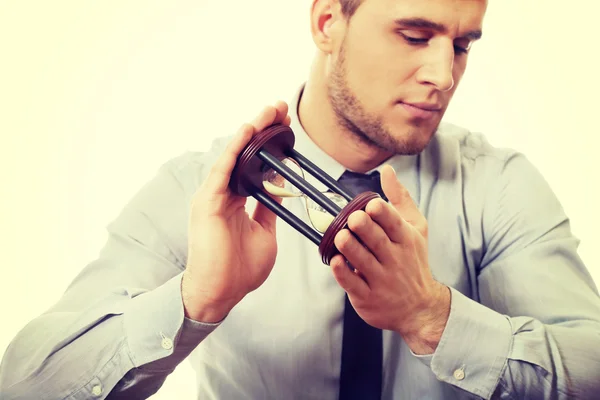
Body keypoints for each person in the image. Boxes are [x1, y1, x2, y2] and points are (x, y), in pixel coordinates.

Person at [1, 0, 599, 398]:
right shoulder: (197, 193)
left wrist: (431, 316)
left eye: (462, 45)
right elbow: (25, 385)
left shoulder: (497, 185)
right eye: (415, 35)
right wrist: (196, 299)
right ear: (326, 23)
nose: (444, 75)